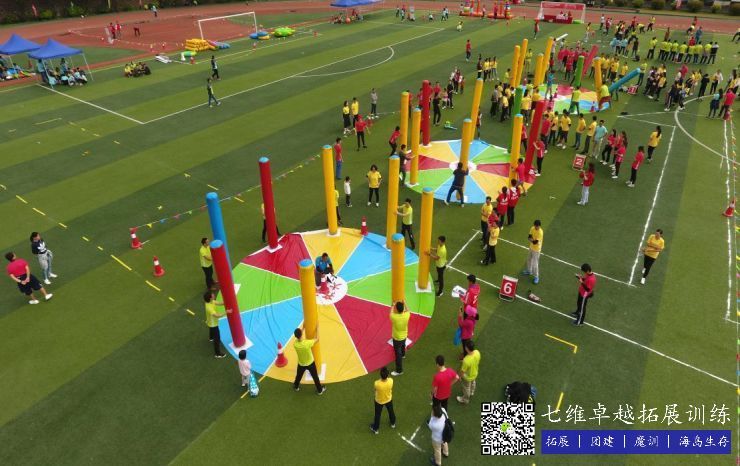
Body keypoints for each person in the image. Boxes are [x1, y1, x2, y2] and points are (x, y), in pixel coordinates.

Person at [292, 326, 326, 394]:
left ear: (295, 336)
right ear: (302, 334)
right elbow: (317, 339)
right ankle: (320, 390)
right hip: (310, 363)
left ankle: (296, 386)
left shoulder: (295, 344)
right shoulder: (307, 343)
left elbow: (299, 335)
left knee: (298, 376)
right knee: (315, 377)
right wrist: (317, 329)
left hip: (301, 364)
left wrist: (303, 328)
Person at [370, 367, 396, 433]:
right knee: (391, 411)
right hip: (388, 399)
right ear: (387, 374)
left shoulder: (377, 383)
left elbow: (375, 389)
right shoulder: (391, 381)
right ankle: (393, 423)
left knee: (377, 415)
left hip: (379, 401)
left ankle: (376, 429)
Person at [456, 340, 480, 404]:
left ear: (466, 348)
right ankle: (472, 392)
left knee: (466, 388)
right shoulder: (477, 352)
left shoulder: (466, 360)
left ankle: (465, 399)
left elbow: (462, 371)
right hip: (475, 373)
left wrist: (459, 377)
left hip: (468, 377)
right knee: (473, 382)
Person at [389, 301, 409, 376]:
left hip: (397, 338)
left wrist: (392, 305)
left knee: (398, 355)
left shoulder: (394, 317)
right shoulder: (406, 315)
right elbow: (408, 310)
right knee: (403, 345)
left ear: (396, 309)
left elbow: (391, 313)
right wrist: (405, 303)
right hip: (404, 335)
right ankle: (403, 354)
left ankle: (399, 370)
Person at [204, 292, 226, 358]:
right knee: (217, 339)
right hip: (213, 324)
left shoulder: (211, 301)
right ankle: (217, 354)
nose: (214, 295)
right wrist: (226, 312)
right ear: (210, 298)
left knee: (211, 330)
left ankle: (211, 338)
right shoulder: (209, 308)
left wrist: (227, 301)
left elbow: (220, 303)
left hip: (210, 322)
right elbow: (217, 315)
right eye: (212, 295)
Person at [523, 220, 543, 284]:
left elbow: (535, 242)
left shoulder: (540, 232)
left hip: (537, 250)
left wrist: (531, 240)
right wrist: (532, 240)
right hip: (531, 247)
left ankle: (536, 276)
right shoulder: (532, 228)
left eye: (537, 226)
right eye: (535, 226)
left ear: (539, 226)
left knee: (535, 264)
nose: (536, 227)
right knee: (529, 259)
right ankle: (529, 271)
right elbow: (529, 237)